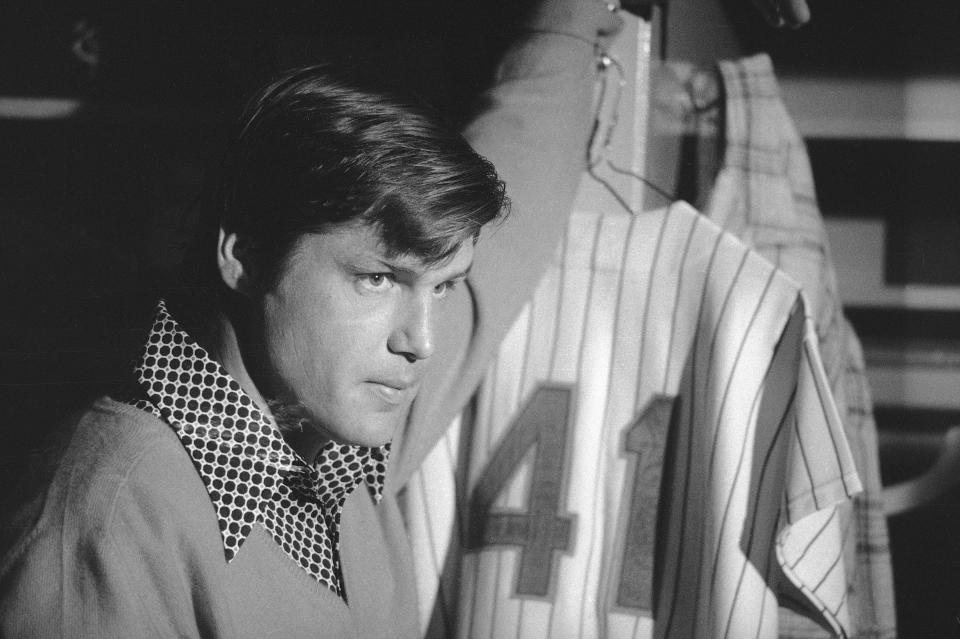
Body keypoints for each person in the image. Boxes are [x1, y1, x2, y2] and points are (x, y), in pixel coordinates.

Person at [0, 1, 622, 637]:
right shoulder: (108, 510)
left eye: (441, 288)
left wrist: (565, 25)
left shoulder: (339, 432)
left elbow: (518, 191)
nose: (421, 342)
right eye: (377, 280)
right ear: (244, 256)